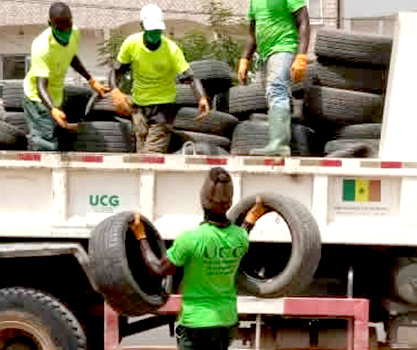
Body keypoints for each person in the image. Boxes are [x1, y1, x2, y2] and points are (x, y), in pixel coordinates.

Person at [131, 167, 267, 350]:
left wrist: (141, 237)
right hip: (227, 321)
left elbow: (158, 269)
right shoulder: (240, 239)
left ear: (202, 200)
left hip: (197, 323)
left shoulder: (190, 239)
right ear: (229, 203)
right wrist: (252, 217)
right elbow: (244, 230)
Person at [110, 4, 210, 154]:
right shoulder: (131, 44)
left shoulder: (171, 50)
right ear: (142, 26)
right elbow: (117, 70)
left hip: (163, 109)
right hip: (139, 107)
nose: (155, 34)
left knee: (151, 156)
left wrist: (201, 98)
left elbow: (190, 77)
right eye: (152, 31)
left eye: (158, 31)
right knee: (141, 154)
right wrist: (115, 90)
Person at [22, 2, 108, 151]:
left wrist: (90, 79)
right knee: (45, 141)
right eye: (60, 27)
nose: (65, 31)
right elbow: (40, 84)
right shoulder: (42, 46)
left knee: (57, 138)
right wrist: (52, 109)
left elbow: (71, 57)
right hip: (37, 98)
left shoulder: (74, 32)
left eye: (68, 24)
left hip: (55, 96)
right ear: (50, 24)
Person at [237, 0, 310, 156]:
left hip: (284, 47)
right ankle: (283, 142)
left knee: (276, 90)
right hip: (264, 55)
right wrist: (244, 59)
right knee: (274, 95)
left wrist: (302, 55)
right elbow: (252, 34)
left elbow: (303, 21)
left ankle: (279, 145)